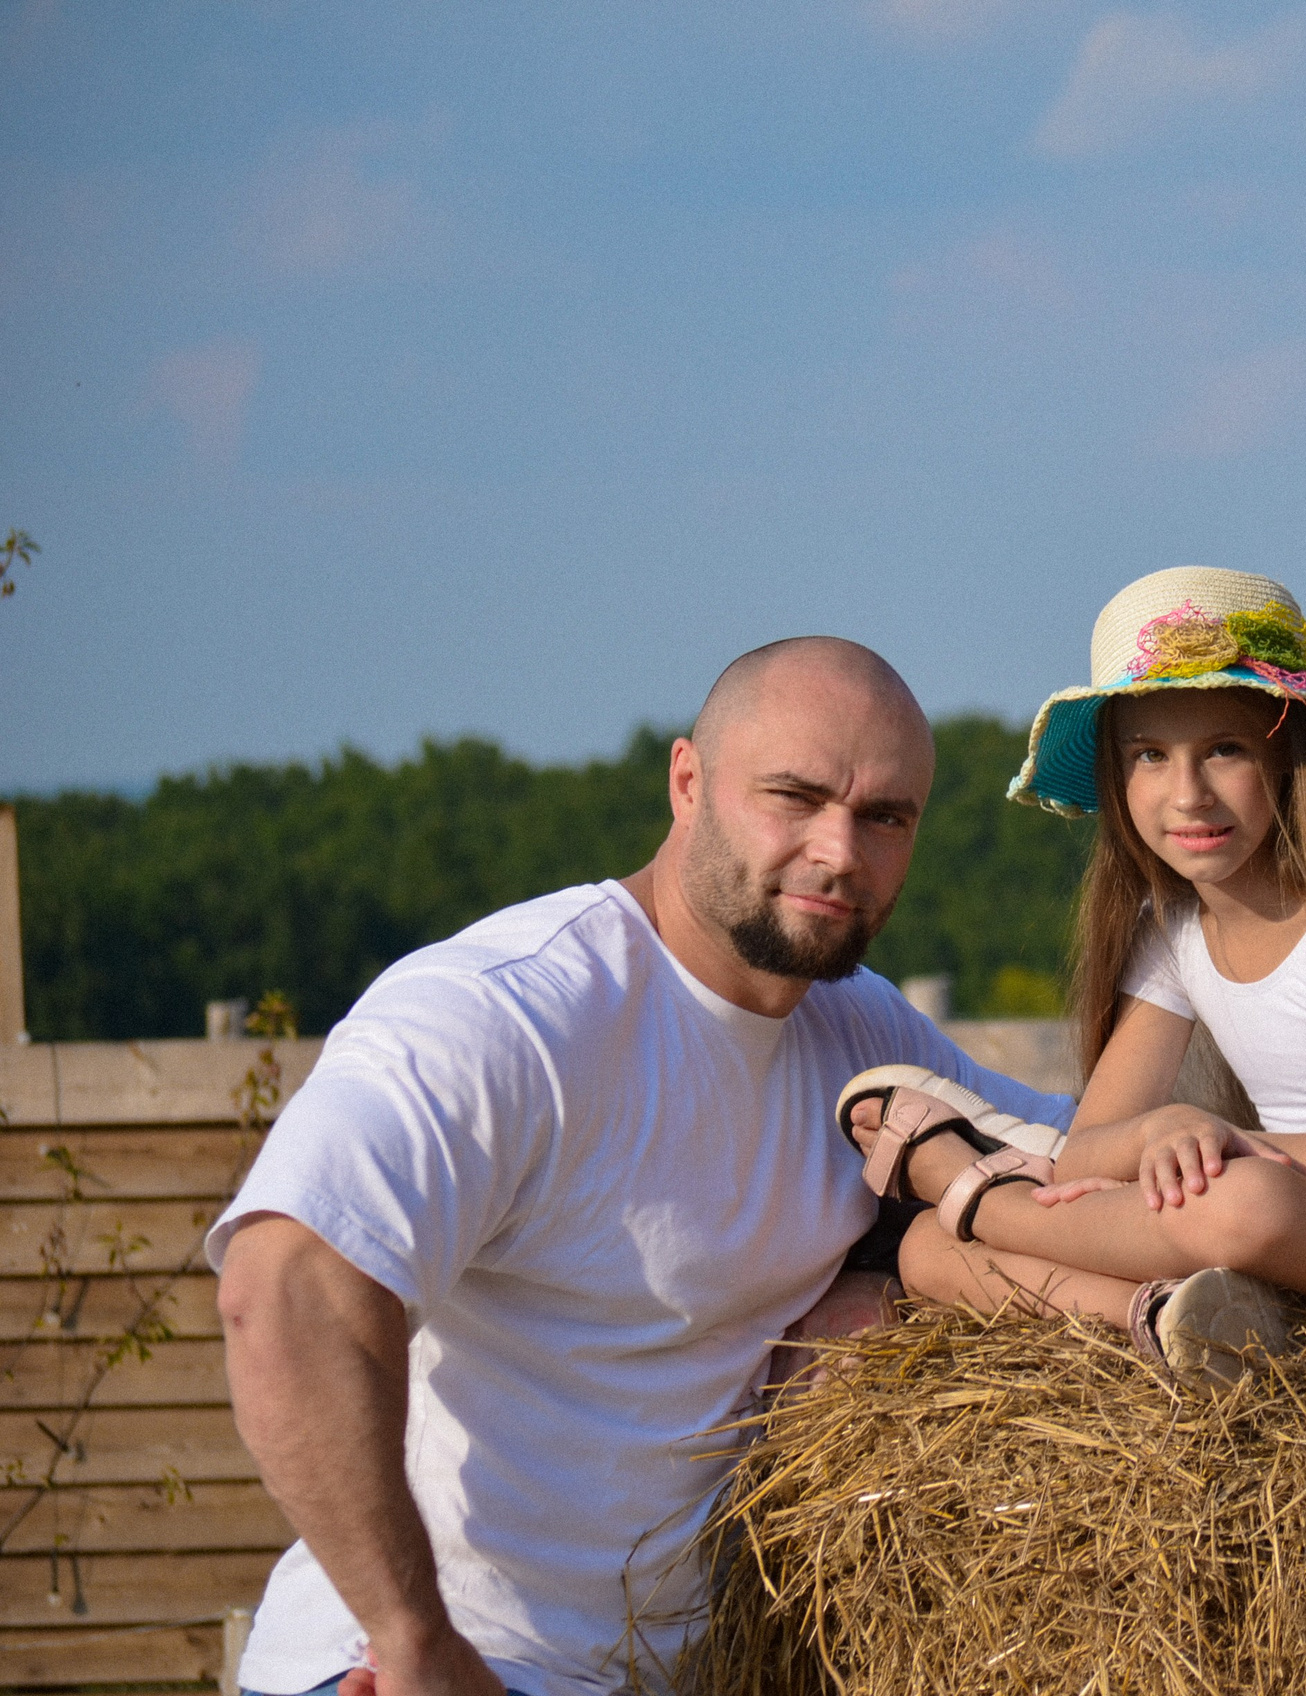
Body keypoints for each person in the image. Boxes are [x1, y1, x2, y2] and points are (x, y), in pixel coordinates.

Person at [209, 638, 1074, 1696]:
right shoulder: (510, 1013)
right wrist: (414, 1638)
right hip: (424, 1671)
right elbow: (287, 1283)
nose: (840, 851)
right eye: (794, 796)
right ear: (687, 783)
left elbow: (1080, 1162)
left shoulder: (860, 1035)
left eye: (884, 816)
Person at [849, 567, 1306, 1384]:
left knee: (1240, 1202)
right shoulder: (1174, 933)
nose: (1188, 794)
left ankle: (984, 1198)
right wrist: (1159, 1135)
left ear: (1291, 755)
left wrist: (1232, 1146)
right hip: (1284, 1232)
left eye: (1225, 750)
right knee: (921, 1251)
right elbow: (1091, 1152)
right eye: (1151, 756)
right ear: (1116, 779)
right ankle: (1157, 1318)